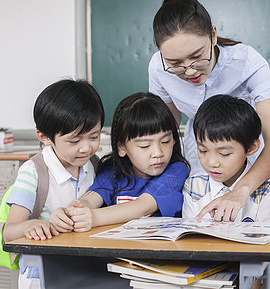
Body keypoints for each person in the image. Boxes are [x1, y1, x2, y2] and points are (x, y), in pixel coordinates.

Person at [149, 0, 270, 221]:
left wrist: (241, 190)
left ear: (213, 35)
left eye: (197, 56)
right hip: (199, 154)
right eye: (175, 63)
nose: (189, 70)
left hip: (249, 158)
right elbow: (165, 127)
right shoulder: (158, 68)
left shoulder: (247, 63)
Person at [3, 79, 105, 288]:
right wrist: (32, 225)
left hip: (85, 268)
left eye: (94, 136)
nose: (86, 148)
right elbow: (9, 232)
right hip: (42, 273)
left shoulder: (94, 164)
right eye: (75, 141)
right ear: (44, 137)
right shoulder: (33, 172)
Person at [183, 94, 270, 288]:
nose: (211, 162)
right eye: (203, 151)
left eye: (224, 153)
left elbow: (263, 256)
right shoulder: (194, 187)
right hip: (209, 279)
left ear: (251, 147)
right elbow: (193, 244)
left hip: (262, 281)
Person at [59, 92, 190, 232]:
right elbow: (90, 199)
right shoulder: (113, 170)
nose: (158, 153)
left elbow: (143, 206)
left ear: (174, 140)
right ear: (122, 147)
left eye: (165, 141)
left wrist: (93, 218)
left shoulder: (176, 170)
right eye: (145, 146)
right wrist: (72, 212)